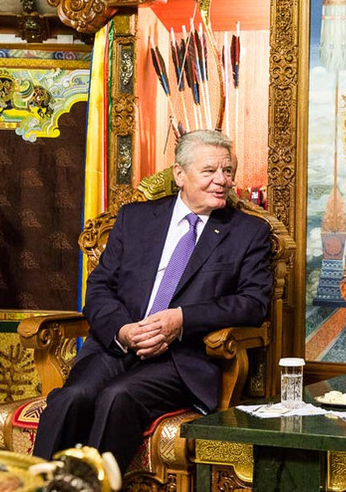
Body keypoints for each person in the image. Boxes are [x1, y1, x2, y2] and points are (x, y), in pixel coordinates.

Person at [33, 130, 273, 471]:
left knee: (118, 397)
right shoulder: (136, 219)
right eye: (210, 172)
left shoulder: (248, 232)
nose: (222, 181)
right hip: (118, 345)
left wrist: (181, 320)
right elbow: (99, 288)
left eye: (228, 171)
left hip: (181, 359)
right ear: (180, 174)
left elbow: (252, 303)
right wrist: (123, 330)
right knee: (72, 398)